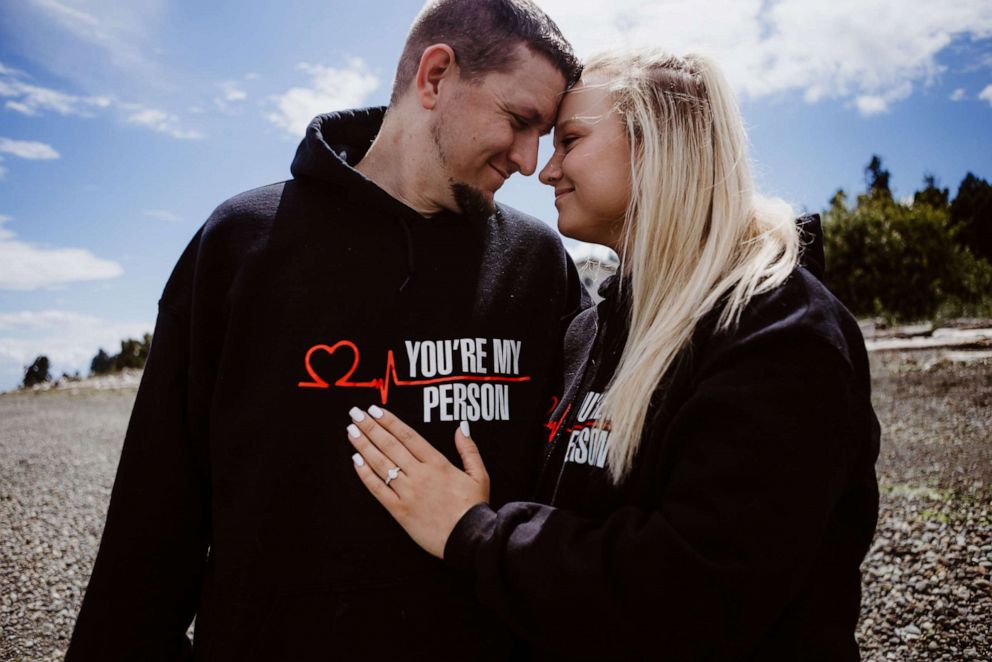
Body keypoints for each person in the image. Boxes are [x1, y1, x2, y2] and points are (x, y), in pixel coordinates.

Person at [67, 1, 587, 659]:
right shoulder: (243, 243)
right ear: (434, 77)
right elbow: (152, 523)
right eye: (519, 122)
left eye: (546, 133)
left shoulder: (539, 266)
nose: (530, 158)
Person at [347, 50, 881, 660]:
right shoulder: (591, 331)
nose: (544, 171)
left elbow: (694, 596)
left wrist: (474, 532)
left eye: (569, 140)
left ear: (659, 141)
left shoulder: (781, 334)